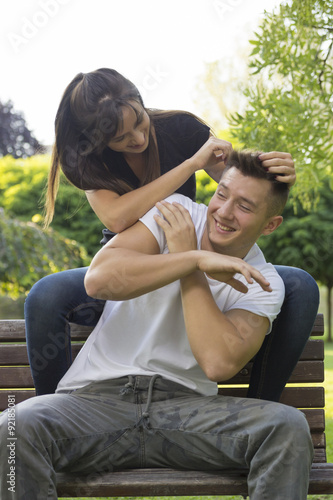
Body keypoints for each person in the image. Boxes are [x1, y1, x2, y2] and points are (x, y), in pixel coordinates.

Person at [0, 151, 313, 500]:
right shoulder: (175, 213)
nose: (223, 212)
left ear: (270, 224)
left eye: (244, 206)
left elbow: (218, 363)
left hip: (186, 415)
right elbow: (99, 280)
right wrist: (192, 256)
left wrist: (188, 267)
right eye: (222, 194)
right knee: (14, 428)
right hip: (96, 403)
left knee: (287, 428)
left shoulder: (264, 281)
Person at [24, 67, 319, 398]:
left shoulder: (180, 128)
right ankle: (51, 409)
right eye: (120, 138)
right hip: (139, 259)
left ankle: (262, 405)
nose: (137, 138)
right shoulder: (88, 159)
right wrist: (191, 165)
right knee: (46, 295)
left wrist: (275, 176)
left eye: (140, 121)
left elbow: (237, 181)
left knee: (300, 286)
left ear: (141, 100)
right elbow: (118, 219)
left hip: (189, 247)